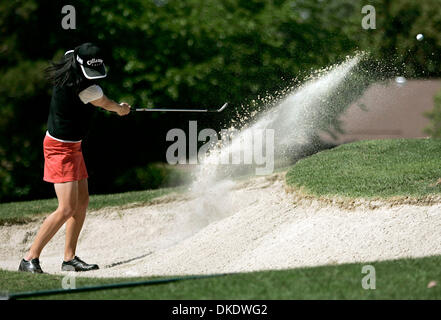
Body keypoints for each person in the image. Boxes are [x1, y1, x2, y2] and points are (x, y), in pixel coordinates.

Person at [18, 43, 131, 273]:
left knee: (82, 202)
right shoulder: (88, 90)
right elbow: (107, 104)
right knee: (67, 207)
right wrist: (121, 109)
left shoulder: (70, 59)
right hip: (59, 149)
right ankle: (29, 258)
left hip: (73, 147)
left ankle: (69, 259)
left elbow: (72, 50)